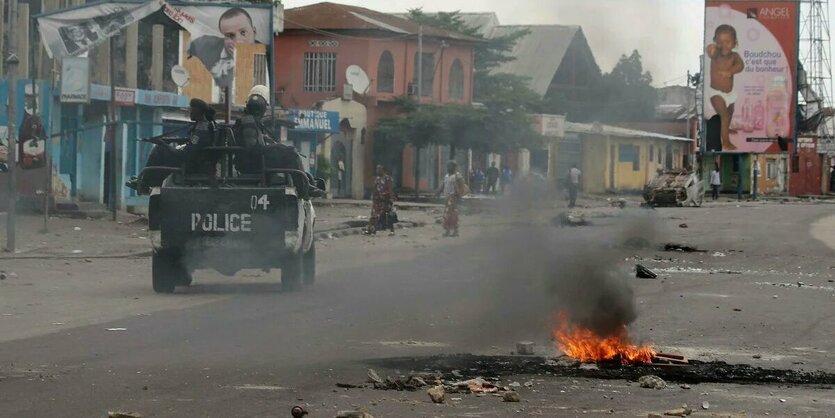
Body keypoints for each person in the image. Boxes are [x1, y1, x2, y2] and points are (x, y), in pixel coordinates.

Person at [126, 98, 217, 193]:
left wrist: (164, 144)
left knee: (159, 150)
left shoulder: (201, 130)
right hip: (194, 161)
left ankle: (145, 183)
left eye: (191, 110)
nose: (189, 112)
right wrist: (168, 141)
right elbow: (192, 144)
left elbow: (186, 154)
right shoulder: (203, 126)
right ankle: (147, 181)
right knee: (161, 150)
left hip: (192, 164)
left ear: (197, 111)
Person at [706, 24, 744, 151]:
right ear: (715, 42)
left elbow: (740, 66)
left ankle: (725, 128)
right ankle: (726, 142)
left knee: (731, 111)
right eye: (719, 42)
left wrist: (731, 71)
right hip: (715, 93)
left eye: (727, 42)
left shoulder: (735, 56)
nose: (724, 45)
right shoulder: (716, 54)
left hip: (730, 93)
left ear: (734, 43)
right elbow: (710, 52)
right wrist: (710, 49)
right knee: (724, 115)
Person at [436, 161, 466, 237]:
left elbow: (462, 186)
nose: (448, 168)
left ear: (454, 167)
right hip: (447, 197)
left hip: (453, 198)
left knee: (452, 214)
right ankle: (448, 231)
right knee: (447, 215)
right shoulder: (446, 176)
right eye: (448, 166)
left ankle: (455, 231)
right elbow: (443, 185)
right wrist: (438, 192)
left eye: (450, 166)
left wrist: (459, 195)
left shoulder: (457, 176)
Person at [366, 165, 395, 235]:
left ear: (383, 170)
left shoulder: (387, 178)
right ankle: (371, 230)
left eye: (379, 169)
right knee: (375, 215)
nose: (377, 170)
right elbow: (375, 189)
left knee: (389, 215)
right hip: (377, 200)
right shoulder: (377, 179)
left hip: (386, 200)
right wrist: (373, 196)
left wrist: (390, 199)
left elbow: (390, 189)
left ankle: (392, 230)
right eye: (377, 169)